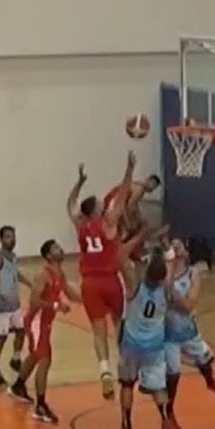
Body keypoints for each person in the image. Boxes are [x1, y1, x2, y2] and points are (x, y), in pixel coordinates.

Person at [67, 154, 135, 399]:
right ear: (95, 210)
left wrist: (79, 182)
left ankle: (105, 371)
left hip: (89, 283)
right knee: (119, 324)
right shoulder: (108, 223)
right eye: (99, 204)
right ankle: (124, 364)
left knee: (98, 331)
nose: (103, 205)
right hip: (109, 280)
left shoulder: (81, 225)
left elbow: (70, 204)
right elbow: (123, 196)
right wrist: (129, 169)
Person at [11, 239, 81, 423]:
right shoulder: (43, 276)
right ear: (49, 255)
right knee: (45, 358)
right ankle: (40, 406)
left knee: (35, 355)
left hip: (45, 323)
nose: (61, 249)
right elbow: (34, 302)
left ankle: (18, 385)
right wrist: (56, 305)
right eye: (56, 248)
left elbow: (70, 293)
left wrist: (89, 301)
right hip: (36, 322)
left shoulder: (60, 274)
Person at [164, 237, 215, 429]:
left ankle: (210, 382)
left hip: (188, 331)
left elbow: (188, 305)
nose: (176, 249)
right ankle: (169, 413)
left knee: (205, 358)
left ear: (186, 250)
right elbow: (161, 294)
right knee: (173, 374)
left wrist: (174, 296)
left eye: (179, 245)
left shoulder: (193, 274)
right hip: (168, 334)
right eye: (173, 246)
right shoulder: (165, 272)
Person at [117, 247, 173, 429]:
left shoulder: (135, 287)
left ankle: (126, 425)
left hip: (131, 344)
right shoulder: (166, 290)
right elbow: (168, 268)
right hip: (154, 347)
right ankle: (165, 418)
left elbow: (122, 262)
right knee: (159, 388)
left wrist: (133, 246)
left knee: (127, 384)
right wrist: (167, 252)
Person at [0, 225, 31, 391]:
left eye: (13, 236)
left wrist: (30, 284)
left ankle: (15, 359)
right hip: (2, 306)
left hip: (14, 304)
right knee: (1, 338)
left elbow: (16, 274)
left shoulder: (13, 257)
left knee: (21, 331)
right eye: (8, 237)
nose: (12, 240)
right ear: (1, 239)